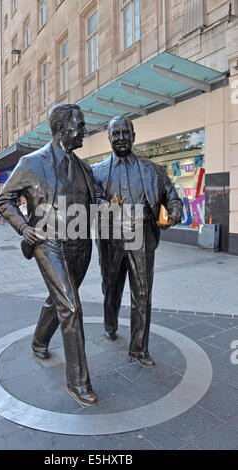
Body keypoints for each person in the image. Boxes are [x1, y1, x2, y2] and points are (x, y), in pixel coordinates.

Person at [0, 104, 97, 406]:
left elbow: (96, 200)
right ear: (62, 128)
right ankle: (78, 382)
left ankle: (39, 340)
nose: (84, 130)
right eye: (80, 125)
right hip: (48, 243)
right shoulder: (32, 163)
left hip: (81, 245)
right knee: (72, 307)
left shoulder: (85, 168)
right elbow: (4, 199)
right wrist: (24, 229)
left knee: (59, 299)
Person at [92, 116, 183, 368]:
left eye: (125, 132)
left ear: (134, 135)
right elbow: (90, 202)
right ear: (108, 137)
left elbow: (172, 198)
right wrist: (106, 205)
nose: (121, 138)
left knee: (142, 293)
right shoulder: (97, 171)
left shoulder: (153, 170)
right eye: (115, 133)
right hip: (111, 236)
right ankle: (110, 324)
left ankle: (138, 348)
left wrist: (173, 213)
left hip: (142, 234)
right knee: (111, 287)